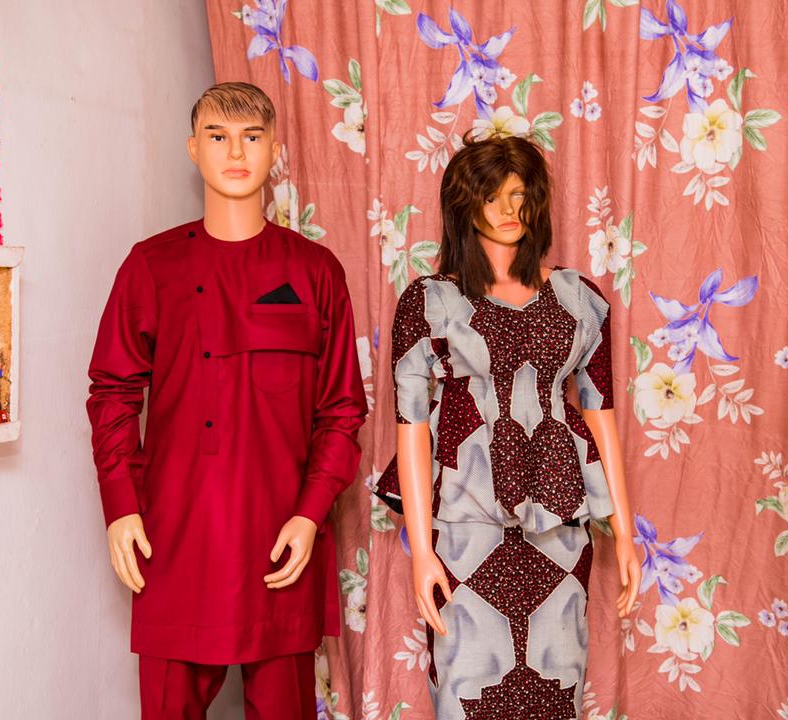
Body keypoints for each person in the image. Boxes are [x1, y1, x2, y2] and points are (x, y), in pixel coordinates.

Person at [86, 82, 368, 719]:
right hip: (173, 539)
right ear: (194, 149)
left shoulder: (316, 271)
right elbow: (112, 391)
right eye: (218, 136)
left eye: (251, 137)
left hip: (279, 541)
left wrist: (310, 513)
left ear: (275, 151)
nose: (235, 152)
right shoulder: (151, 266)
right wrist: (121, 506)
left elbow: (341, 410)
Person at [375, 136, 640, 719]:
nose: (507, 209)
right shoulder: (429, 302)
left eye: (518, 195)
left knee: (557, 687)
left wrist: (624, 531)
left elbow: (600, 412)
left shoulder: (578, 299)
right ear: (464, 205)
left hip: (560, 526)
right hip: (463, 525)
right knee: (466, 686)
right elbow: (410, 426)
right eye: (491, 196)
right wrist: (422, 551)